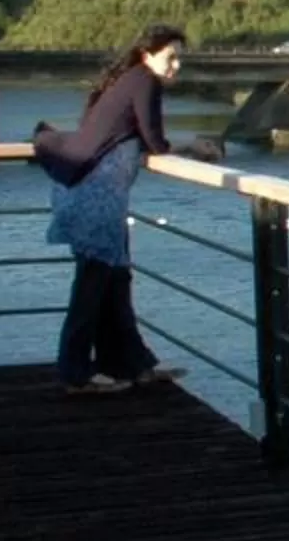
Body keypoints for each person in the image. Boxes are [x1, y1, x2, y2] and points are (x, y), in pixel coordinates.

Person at [32, 23, 219, 396]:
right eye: (171, 57)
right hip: (96, 195)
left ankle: (131, 364)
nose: (177, 66)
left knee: (115, 282)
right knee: (92, 287)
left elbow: (139, 138)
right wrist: (193, 146)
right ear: (148, 55)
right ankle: (75, 374)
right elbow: (155, 141)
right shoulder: (144, 80)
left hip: (94, 193)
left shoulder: (131, 79)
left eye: (180, 58)